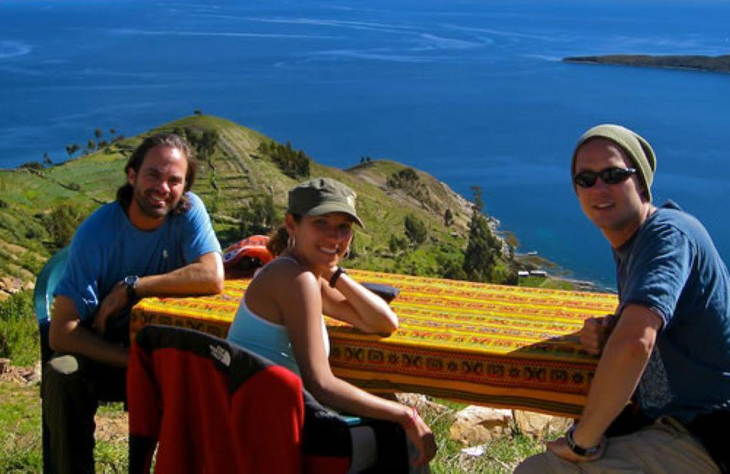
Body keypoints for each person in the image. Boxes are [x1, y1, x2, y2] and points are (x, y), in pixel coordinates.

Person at [516, 124, 730, 473]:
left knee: (537, 471)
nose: (599, 187)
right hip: (680, 422)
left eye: (614, 174)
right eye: (585, 179)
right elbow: (653, 325)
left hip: (716, 439)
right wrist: (612, 328)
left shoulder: (667, 235)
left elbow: (637, 342)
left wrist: (580, 443)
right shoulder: (636, 243)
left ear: (641, 182)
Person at [227, 177, 437, 472]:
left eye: (343, 227)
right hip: (273, 432)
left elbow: (383, 322)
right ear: (291, 225)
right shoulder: (294, 280)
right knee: (404, 436)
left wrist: (335, 272)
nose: (334, 236)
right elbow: (320, 384)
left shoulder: (302, 274)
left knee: (385, 408)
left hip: (267, 417)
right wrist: (407, 415)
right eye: (321, 223)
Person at [43, 132, 224, 474]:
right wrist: (132, 360)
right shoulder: (97, 233)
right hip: (110, 353)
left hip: (169, 354)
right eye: (153, 175)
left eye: (174, 180)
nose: (163, 188)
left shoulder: (188, 212)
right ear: (132, 175)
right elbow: (61, 333)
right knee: (61, 374)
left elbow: (212, 276)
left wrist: (132, 288)